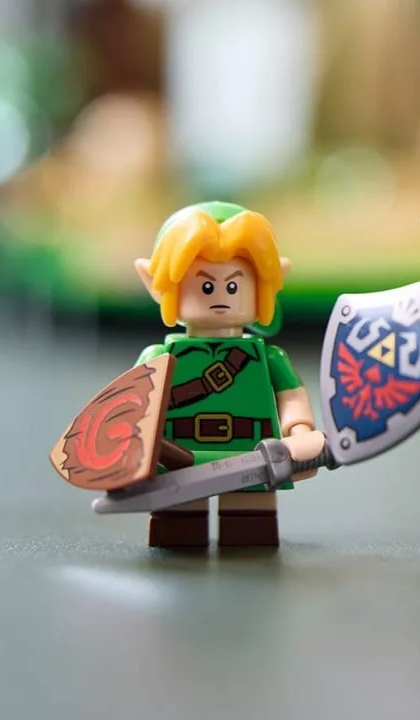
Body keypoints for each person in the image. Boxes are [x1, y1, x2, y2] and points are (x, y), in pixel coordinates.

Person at [134, 201, 316, 548]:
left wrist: (300, 431)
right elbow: (131, 407)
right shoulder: (159, 358)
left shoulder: (268, 357)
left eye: (234, 286)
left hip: (252, 454)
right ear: (155, 282)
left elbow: (291, 397)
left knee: (249, 524)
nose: (220, 296)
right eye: (205, 286)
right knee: (178, 526)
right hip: (177, 455)